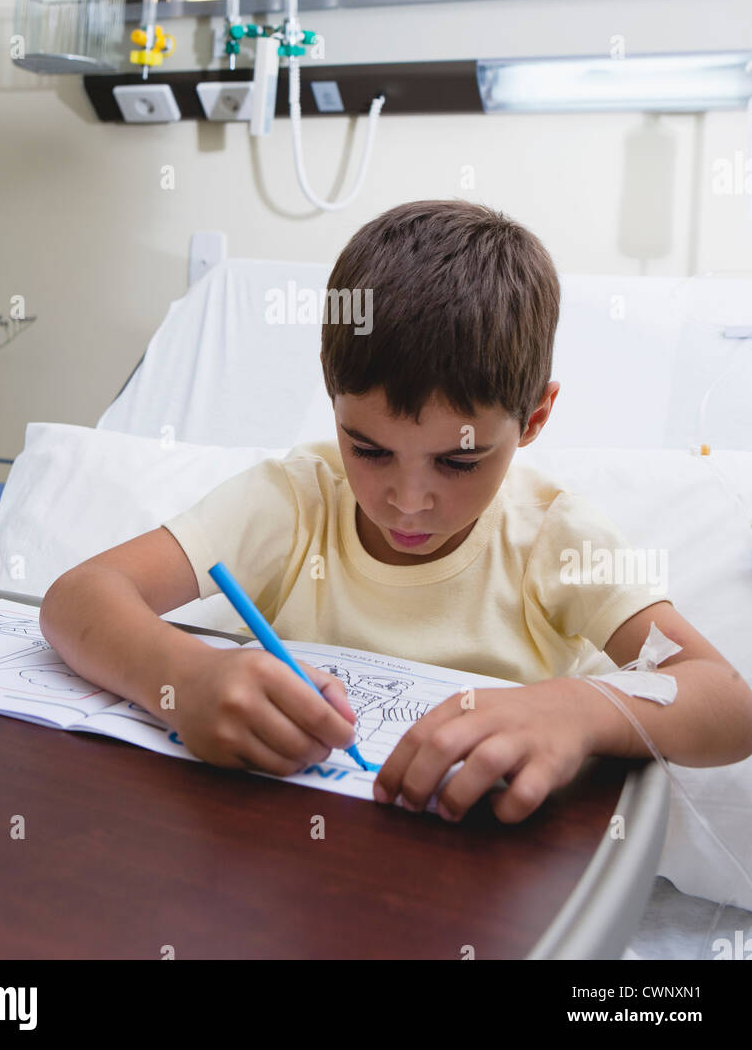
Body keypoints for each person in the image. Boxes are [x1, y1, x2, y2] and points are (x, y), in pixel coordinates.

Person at [40, 200, 752, 823]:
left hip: (484, 875)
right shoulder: (294, 501)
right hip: (289, 853)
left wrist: (582, 709)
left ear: (534, 418)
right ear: (332, 399)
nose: (408, 501)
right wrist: (184, 679)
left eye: (459, 461)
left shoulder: (556, 540)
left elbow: (725, 700)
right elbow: (80, 597)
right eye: (369, 449)